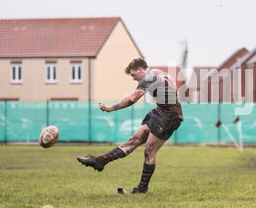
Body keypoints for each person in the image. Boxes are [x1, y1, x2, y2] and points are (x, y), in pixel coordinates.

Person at [76, 58, 183, 194]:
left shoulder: (148, 77)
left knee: (149, 150)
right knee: (134, 140)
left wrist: (110, 108)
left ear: (140, 69)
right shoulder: (159, 73)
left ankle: (142, 189)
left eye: (133, 75)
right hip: (161, 112)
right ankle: (100, 161)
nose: (133, 79)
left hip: (169, 116)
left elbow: (132, 99)